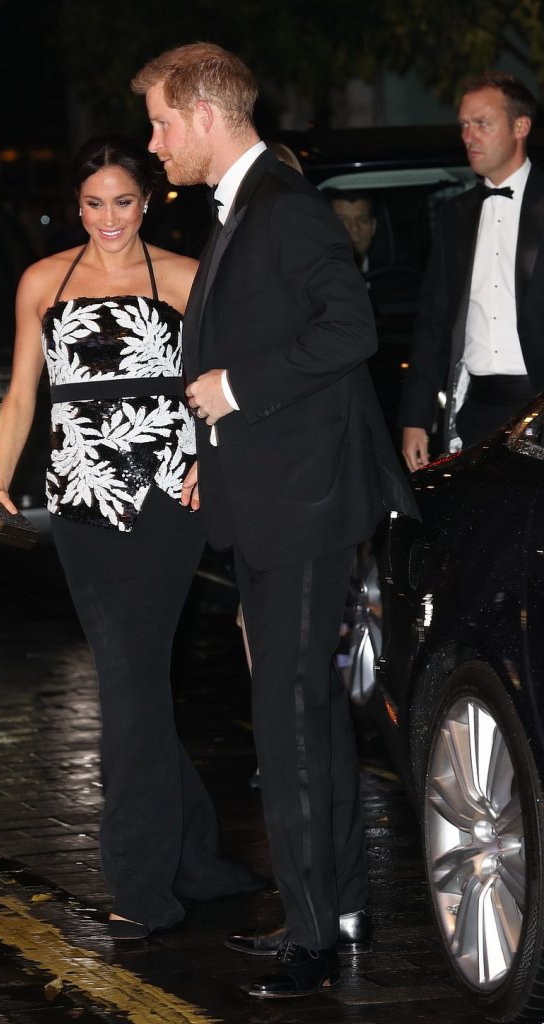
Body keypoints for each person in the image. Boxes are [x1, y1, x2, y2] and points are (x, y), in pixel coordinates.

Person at [132, 43, 416, 998]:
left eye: (162, 123)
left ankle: (312, 938)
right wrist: (215, 453)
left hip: (303, 506)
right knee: (305, 716)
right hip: (272, 495)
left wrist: (235, 390)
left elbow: (350, 330)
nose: (154, 142)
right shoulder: (245, 206)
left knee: (288, 718)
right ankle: (332, 907)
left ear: (207, 116)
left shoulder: (283, 208)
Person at [0, 134, 263, 941]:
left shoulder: (184, 276)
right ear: (76, 206)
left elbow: (223, 384)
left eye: (124, 202)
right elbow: (22, 394)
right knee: (129, 678)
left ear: (147, 202)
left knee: (129, 682)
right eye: (93, 203)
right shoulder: (43, 281)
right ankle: (196, 856)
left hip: (167, 500)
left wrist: (213, 458)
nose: (109, 218)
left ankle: (141, 887)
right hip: (79, 502)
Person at [400, 71, 544, 472]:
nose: (469, 136)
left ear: (520, 127)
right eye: (464, 125)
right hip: (476, 409)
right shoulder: (455, 214)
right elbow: (433, 321)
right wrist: (415, 417)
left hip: (538, 403)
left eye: (482, 123)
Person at [329, 191, 378, 273]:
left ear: (373, 226)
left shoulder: (390, 274)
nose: (354, 228)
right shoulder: (315, 275)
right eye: (342, 221)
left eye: (363, 220)